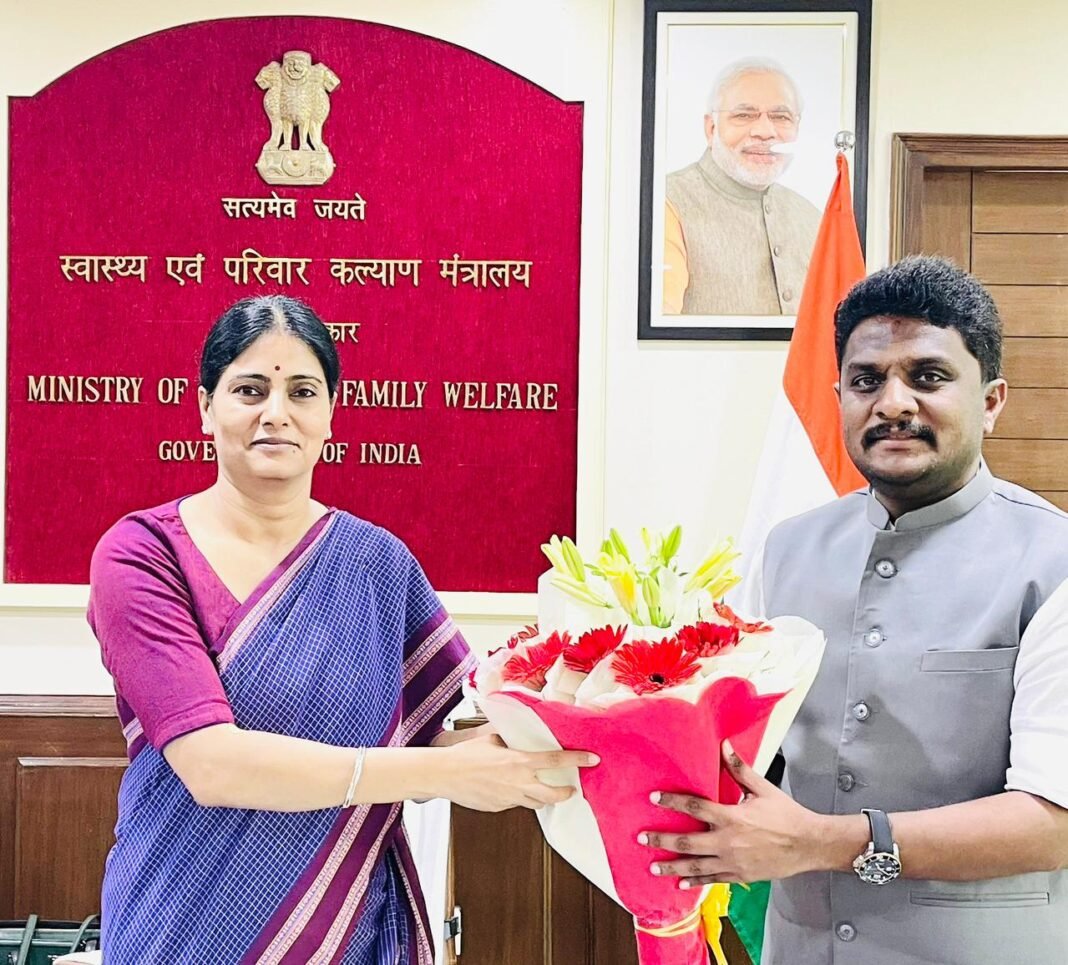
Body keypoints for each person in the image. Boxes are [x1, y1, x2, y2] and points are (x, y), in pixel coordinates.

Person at [87, 295, 598, 964]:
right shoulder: (143, 555)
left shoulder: (377, 563)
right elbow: (211, 765)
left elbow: (428, 743)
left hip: (344, 930)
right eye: (250, 390)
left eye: (302, 391)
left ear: (331, 413)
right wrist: (445, 771)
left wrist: (579, 718)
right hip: (181, 924)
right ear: (206, 407)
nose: (276, 412)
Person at [641, 256, 1068, 963]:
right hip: (801, 945)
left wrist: (823, 842)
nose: (894, 403)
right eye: (868, 380)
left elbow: (1053, 821)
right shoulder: (786, 549)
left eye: (928, 377)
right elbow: (737, 739)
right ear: (840, 395)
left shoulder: (1054, 562)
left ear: (991, 401)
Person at [662, 58, 820, 316]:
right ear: (711, 128)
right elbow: (655, 320)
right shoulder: (666, 202)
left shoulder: (811, 216)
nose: (765, 131)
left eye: (781, 117)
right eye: (744, 115)